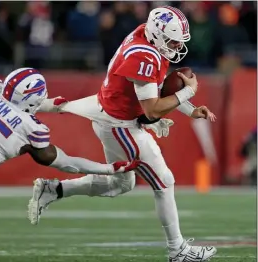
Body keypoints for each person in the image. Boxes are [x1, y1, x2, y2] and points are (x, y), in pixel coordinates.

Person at [30, 6, 217, 262]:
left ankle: (55, 190)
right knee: (164, 182)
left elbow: (158, 88)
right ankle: (178, 250)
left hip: (111, 112)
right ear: (157, 33)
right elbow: (152, 110)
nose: (176, 45)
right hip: (119, 125)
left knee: (122, 183)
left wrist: (190, 110)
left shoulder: (145, 36)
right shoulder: (144, 55)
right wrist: (187, 93)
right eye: (172, 40)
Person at [0, 68, 140, 230]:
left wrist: (48, 104)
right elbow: (67, 163)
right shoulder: (30, 129)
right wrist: (109, 169)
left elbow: (10, 102)